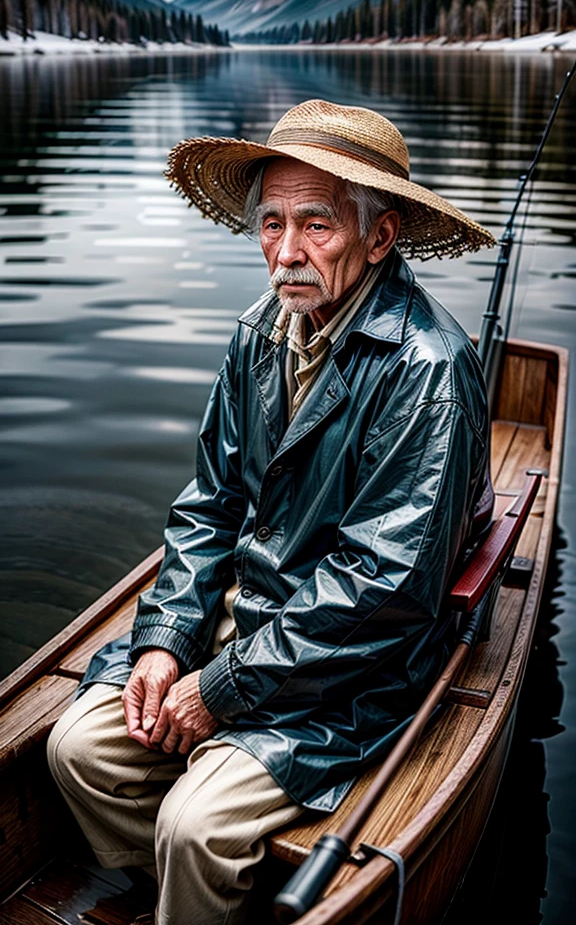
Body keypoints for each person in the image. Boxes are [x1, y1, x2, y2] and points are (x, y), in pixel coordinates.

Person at [47, 99, 495, 925]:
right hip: (245, 622)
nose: (286, 253)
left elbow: (386, 588)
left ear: (381, 237)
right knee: (76, 750)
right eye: (272, 223)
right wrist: (166, 640)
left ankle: (200, 884)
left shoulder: (429, 371)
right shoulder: (260, 330)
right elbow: (207, 508)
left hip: (354, 668)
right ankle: (188, 897)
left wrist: (219, 690)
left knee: (194, 825)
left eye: (317, 226)